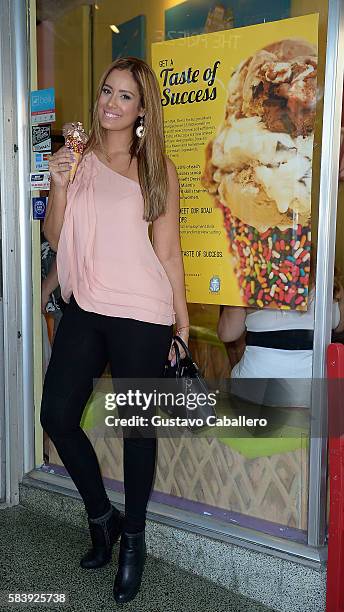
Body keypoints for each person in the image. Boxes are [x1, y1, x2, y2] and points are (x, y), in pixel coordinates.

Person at [41, 56, 189, 604]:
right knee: (55, 413)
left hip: (143, 311)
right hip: (86, 303)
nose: (111, 102)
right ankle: (102, 516)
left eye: (125, 96)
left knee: (137, 430)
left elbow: (168, 251)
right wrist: (58, 184)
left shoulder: (157, 168)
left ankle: (133, 541)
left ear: (142, 107)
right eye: (107, 91)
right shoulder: (76, 159)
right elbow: (58, 238)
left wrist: (181, 317)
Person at [217, 267, 344, 409]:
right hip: (312, 395)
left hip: (254, 392)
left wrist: (233, 292)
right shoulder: (328, 287)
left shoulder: (252, 284)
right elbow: (339, 325)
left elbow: (227, 333)